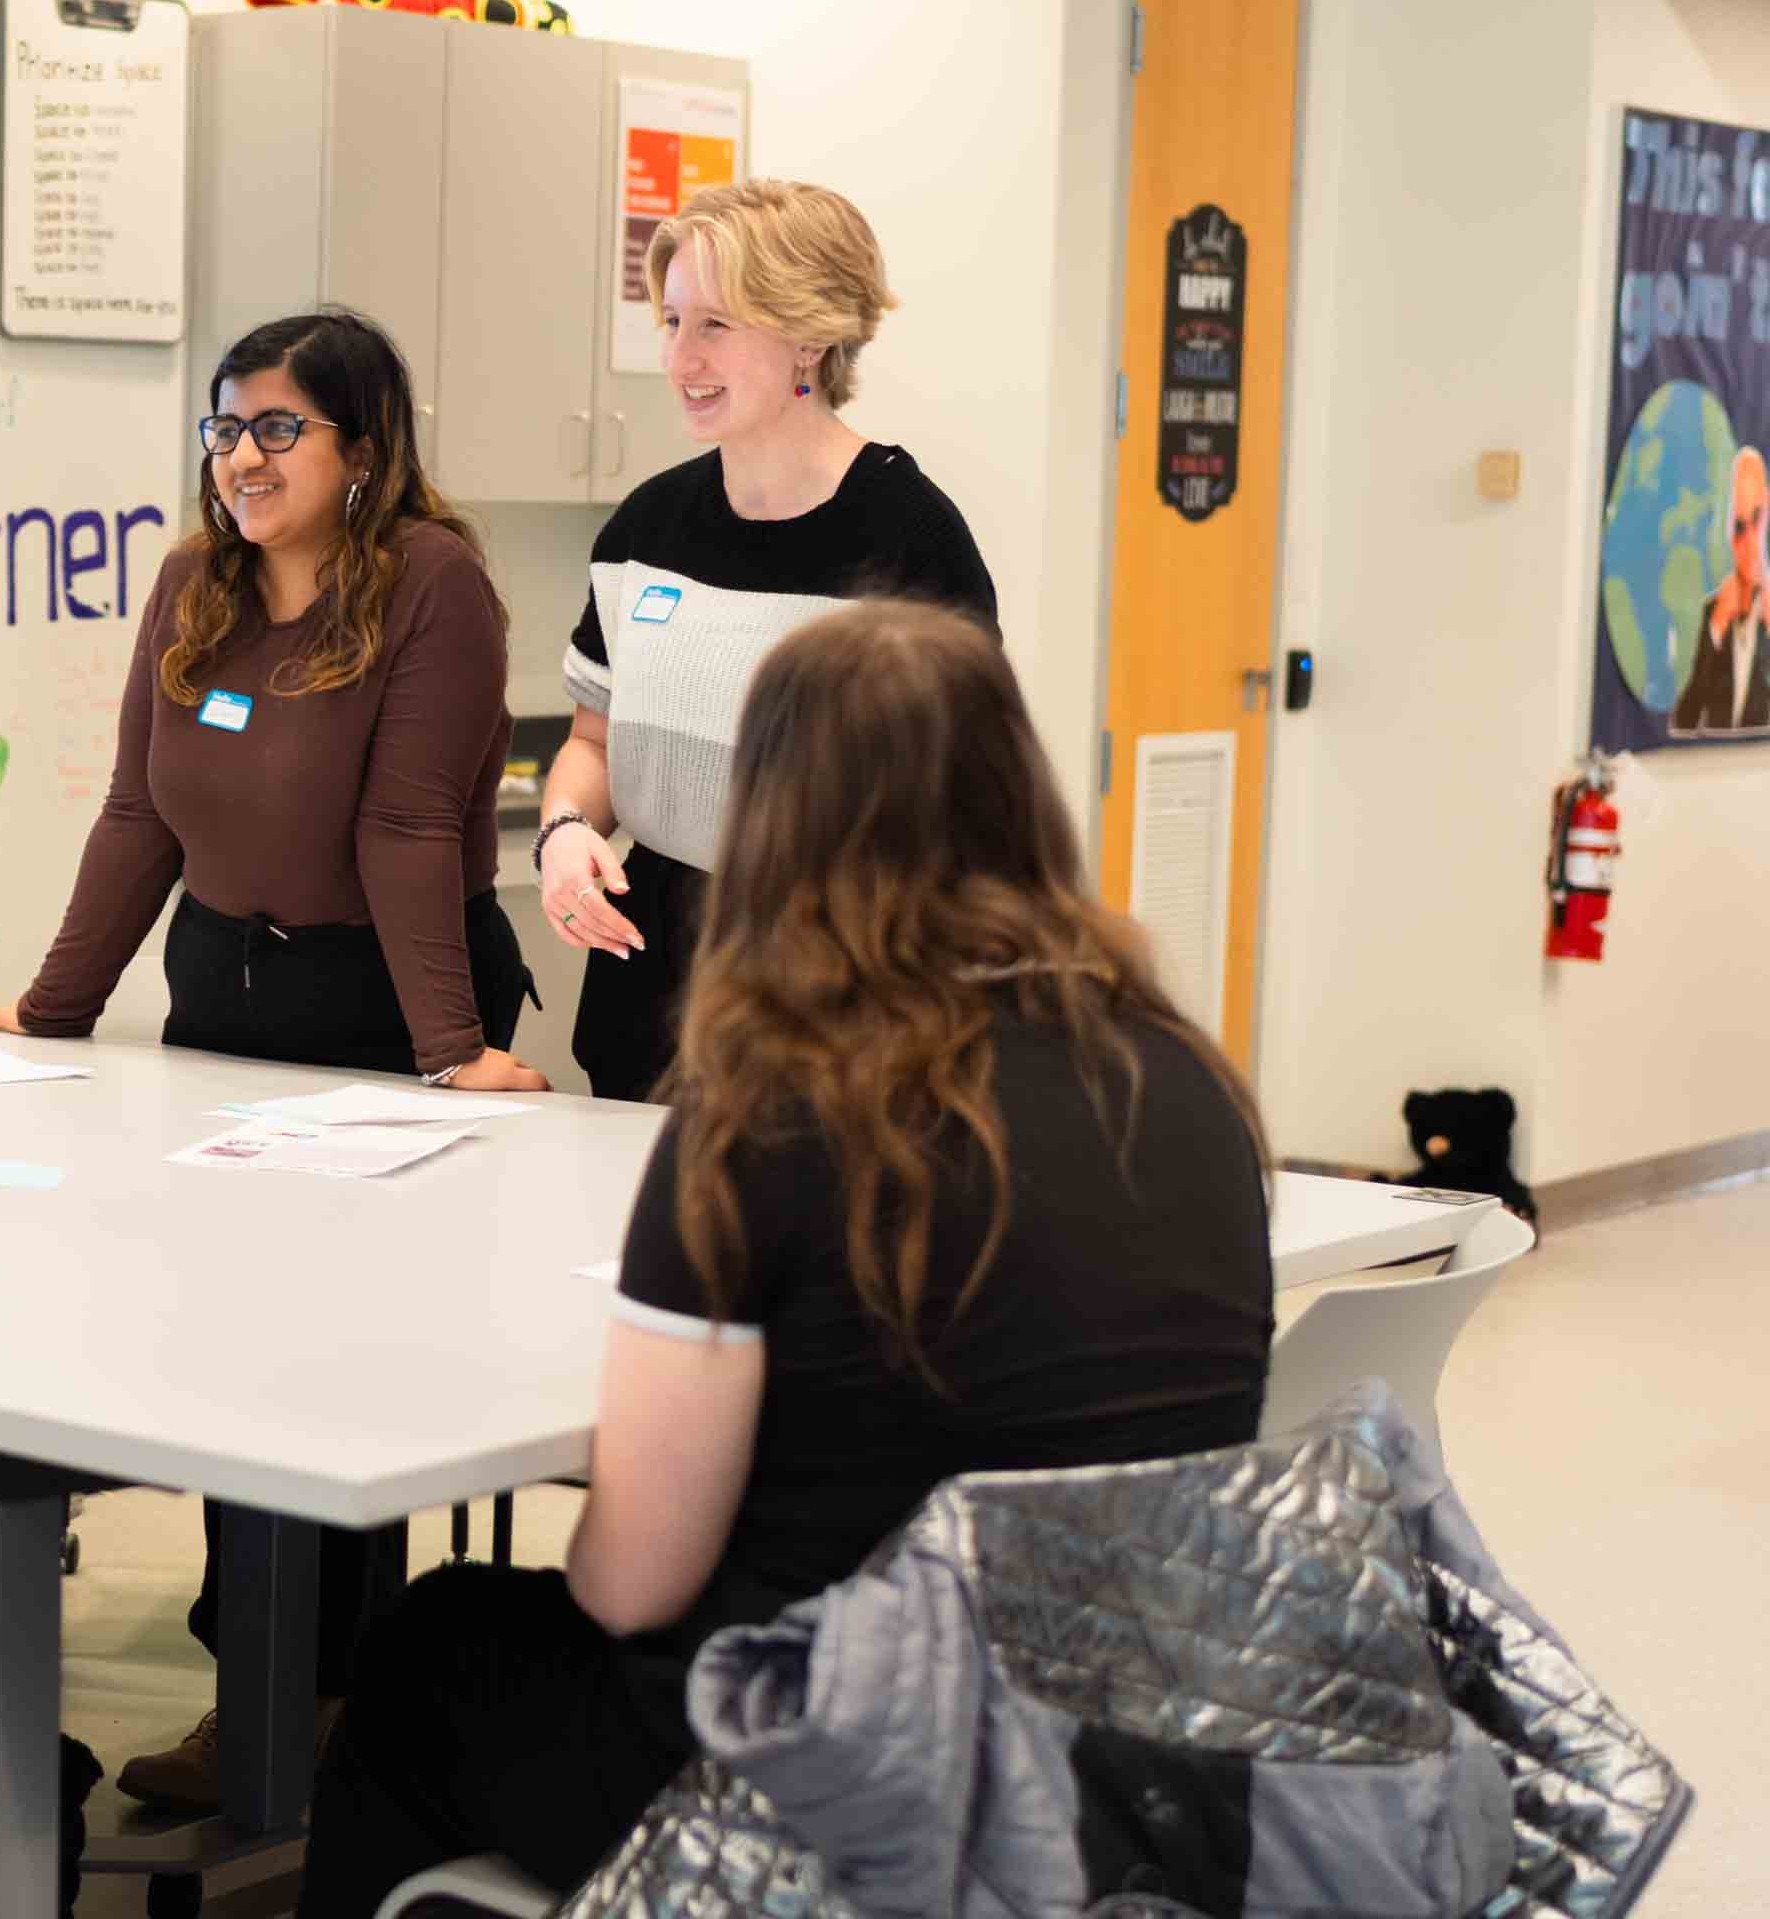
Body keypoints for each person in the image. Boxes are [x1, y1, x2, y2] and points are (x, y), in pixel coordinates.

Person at [295, 602, 1276, 1914]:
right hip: (1134, 1781)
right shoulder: (1189, 1087)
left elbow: (632, 1583)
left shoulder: (769, 1114)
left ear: (772, 821)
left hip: (828, 1793)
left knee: (432, 1650)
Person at [0, 308, 542, 1812]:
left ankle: (339, 1705)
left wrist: (454, 1054)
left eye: (278, 427)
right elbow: (139, 815)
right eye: (225, 428)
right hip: (222, 1008)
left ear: (366, 448)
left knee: (341, 1373)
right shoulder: (194, 583)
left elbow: (414, 826)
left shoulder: (434, 586)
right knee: (231, 1362)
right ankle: (265, 1689)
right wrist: (51, 1009)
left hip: (383, 1015)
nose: (242, 456)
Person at [537, 178, 997, 1102]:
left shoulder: (910, 542)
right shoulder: (645, 528)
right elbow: (594, 742)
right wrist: (564, 833)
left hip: (830, 1008)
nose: (679, 359)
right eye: (670, 322)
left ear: (809, 336)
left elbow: (964, 811)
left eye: (716, 325)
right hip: (650, 985)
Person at [1670, 446, 1768, 734]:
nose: (1750, 542)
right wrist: (1717, 626)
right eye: (1739, 528)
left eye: (1757, 518)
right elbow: (1683, 723)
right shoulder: (1713, 613)